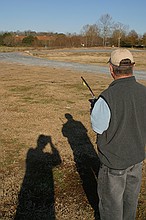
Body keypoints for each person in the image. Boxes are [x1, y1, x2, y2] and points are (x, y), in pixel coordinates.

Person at [90, 48, 146, 220]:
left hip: (114, 164)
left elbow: (98, 128)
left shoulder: (107, 97)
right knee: (130, 203)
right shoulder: (144, 91)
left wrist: (94, 108)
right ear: (133, 67)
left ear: (111, 69)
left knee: (111, 208)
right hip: (136, 160)